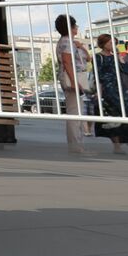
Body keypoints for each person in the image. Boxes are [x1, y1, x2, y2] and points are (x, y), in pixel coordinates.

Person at [93, 33, 128, 153]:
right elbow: (97, 75)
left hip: (120, 89)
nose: (113, 45)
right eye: (110, 43)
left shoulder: (115, 56)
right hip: (108, 91)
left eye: (115, 43)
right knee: (113, 119)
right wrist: (99, 91)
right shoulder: (98, 57)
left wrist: (119, 57)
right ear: (103, 44)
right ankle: (117, 146)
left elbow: (126, 70)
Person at [54, 14, 91, 155]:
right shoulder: (67, 42)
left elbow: (87, 59)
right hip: (72, 79)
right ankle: (76, 146)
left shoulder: (69, 42)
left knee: (76, 112)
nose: (77, 28)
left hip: (72, 78)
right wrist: (75, 82)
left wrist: (81, 46)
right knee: (75, 113)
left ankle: (77, 145)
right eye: (75, 26)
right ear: (70, 27)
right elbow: (67, 62)